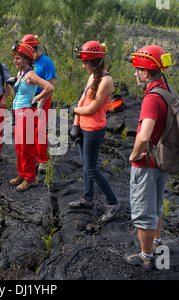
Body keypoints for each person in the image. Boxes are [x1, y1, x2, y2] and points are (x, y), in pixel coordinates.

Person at [123, 45, 171, 270]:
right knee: (157, 206)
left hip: (147, 162)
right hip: (163, 159)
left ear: (145, 72)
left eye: (137, 69)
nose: (135, 74)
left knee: (144, 211)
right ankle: (158, 242)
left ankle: (146, 257)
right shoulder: (166, 90)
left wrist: (134, 154)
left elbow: (144, 134)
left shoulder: (151, 98)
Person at [67, 41, 120, 223]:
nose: (83, 66)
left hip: (94, 130)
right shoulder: (92, 77)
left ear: (96, 62)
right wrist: (76, 124)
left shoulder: (106, 81)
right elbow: (82, 100)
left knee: (91, 168)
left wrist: (74, 111)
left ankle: (113, 203)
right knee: (85, 165)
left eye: (85, 63)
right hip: (83, 126)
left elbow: (91, 108)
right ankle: (87, 198)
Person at [9, 42, 54, 191]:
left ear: (27, 59)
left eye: (18, 58)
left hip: (27, 113)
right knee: (19, 146)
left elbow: (49, 87)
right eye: (14, 58)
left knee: (27, 147)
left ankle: (31, 178)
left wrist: (36, 100)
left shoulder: (31, 75)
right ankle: (22, 173)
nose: (15, 61)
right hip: (19, 112)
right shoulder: (20, 74)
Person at [20, 34, 56, 172]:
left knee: (40, 130)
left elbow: (50, 86)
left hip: (42, 98)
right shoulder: (28, 62)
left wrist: (40, 103)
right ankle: (32, 157)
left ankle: (43, 160)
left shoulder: (46, 62)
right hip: (28, 98)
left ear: (33, 49)